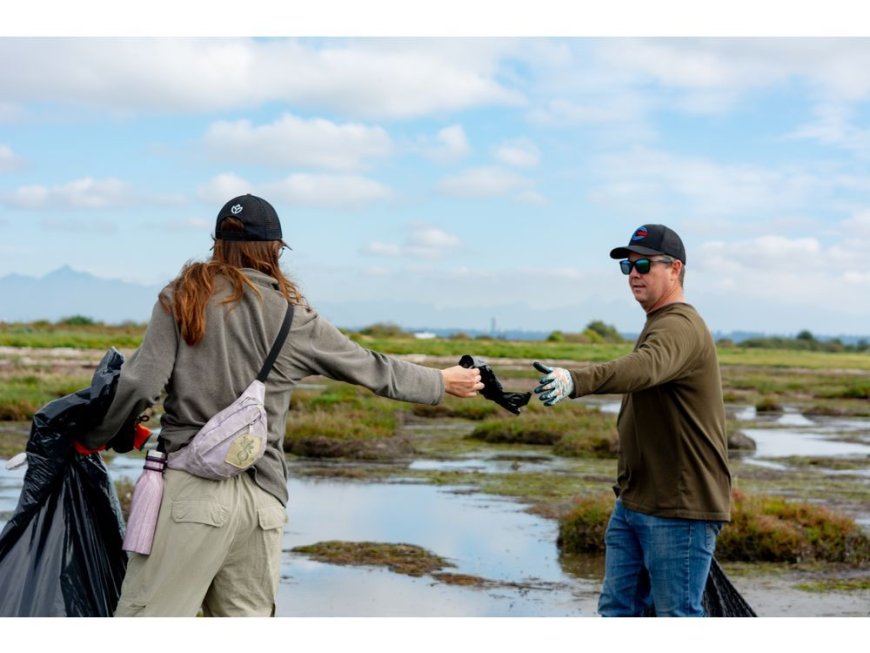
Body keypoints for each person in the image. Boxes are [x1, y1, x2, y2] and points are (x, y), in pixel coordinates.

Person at [83, 193, 483, 617]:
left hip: (190, 497)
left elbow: (141, 383)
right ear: (275, 250)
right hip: (263, 502)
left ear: (218, 243)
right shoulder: (295, 317)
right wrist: (440, 382)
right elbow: (371, 368)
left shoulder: (182, 297)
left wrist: (96, 435)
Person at [532, 224, 731, 617]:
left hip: (679, 508)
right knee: (617, 611)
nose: (634, 273)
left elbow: (645, 367)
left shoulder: (680, 326)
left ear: (675, 270)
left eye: (643, 264)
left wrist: (575, 381)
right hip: (636, 500)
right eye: (628, 266)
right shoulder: (659, 322)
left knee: (677, 616)